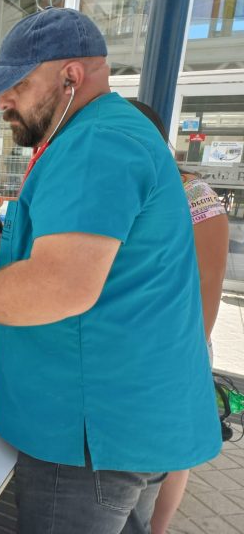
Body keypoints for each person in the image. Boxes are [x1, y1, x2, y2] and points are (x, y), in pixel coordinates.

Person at [0, 8, 221, 533]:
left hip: (91, 444)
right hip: (128, 426)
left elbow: (59, 285)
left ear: (71, 77)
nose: (4, 102)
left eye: (18, 85)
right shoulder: (105, 134)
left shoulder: (96, 143)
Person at [129, 100, 229, 534]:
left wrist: (190, 352)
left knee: (172, 450)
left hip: (179, 342)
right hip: (138, 343)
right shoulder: (133, 186)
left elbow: (210, 279)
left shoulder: (194, 194)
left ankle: (158, 529)